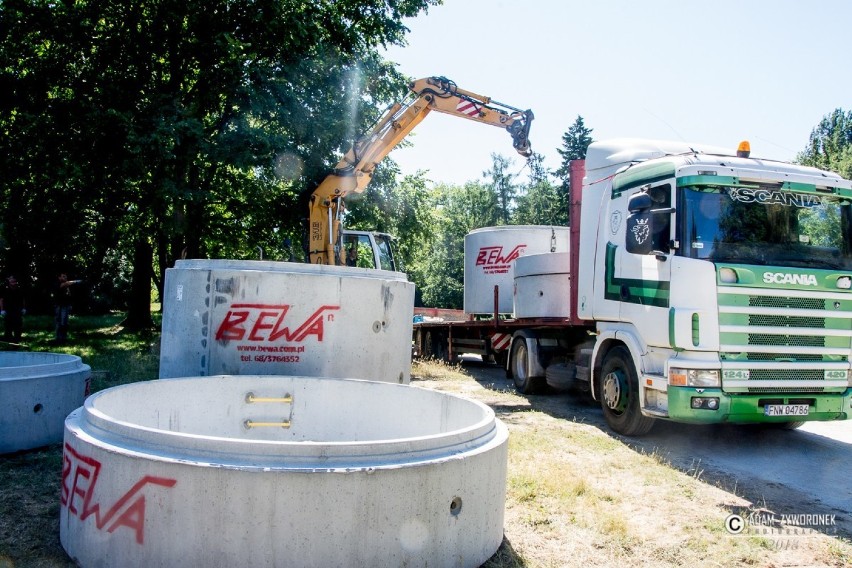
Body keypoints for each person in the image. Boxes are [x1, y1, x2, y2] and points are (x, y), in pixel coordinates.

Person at [54, 273, 81, 343]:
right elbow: (66, 284)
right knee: (59, 322)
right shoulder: (58, 284)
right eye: (63, 276)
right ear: (59, 277)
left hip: (66, 306)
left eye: (65, 277)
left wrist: (70, 305)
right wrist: (76, 281)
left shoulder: (67, 287)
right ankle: (58, 338)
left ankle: (63, 338)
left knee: (64, 323)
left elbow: (69, 296)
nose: (65, 278)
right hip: (59, 306)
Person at [0, 275, 26, 345]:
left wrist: (23, 308)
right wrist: (2, 310)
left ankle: (17, 340)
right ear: (9, 281)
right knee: (8, 325)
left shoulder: (19, 289)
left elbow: (23, 299)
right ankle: (8, 340)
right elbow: (1, 300)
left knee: (18, 325)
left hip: (17, 310)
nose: (13, 282)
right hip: (8, 310)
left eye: (14, 280)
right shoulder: (5, 289)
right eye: (11, 280)